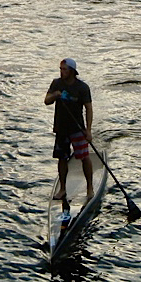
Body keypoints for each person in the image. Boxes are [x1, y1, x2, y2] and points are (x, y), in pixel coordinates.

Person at [44, 57, 94, 202]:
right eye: (60, 69)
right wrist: (55, 95)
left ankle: (90, 188)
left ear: (72, 71)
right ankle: (62, 189)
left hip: (77, 128)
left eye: (64, 69)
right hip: (61, 128)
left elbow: (89, 108)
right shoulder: (56, 83)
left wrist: (88, 130)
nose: (61, 72)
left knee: (84, 157)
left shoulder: (82, 87)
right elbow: (47, 100)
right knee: (62, 158)